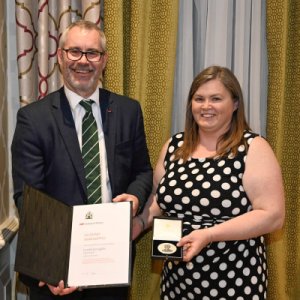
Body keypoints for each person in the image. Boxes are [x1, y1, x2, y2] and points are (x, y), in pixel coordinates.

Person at [11, 20, 152, 300]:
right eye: (74, 51)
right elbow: (29, 199)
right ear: (61, 57)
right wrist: (53, 266)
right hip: (57, 272)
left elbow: (143, 172)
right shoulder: (34, 119)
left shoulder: (128, 111)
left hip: (111, 262)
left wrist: (135, 198)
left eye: (92, 53)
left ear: (104, 60)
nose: (83, 61)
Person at [133, 66, 285, 299]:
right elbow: (158, 199)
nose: (206, 106)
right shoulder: (174, 147)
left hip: (234, 278)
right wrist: (140, 223)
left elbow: (272, 215)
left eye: (216, 99)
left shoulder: (252, 148)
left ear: (235, 104)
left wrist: (209, 234)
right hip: (178, 281)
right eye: (199, 99)